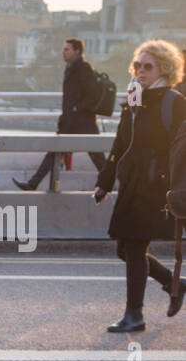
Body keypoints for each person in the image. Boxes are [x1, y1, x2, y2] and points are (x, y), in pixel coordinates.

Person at [94, 39, 186, 331]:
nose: (140, 71)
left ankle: (134, 314)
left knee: (133, 247)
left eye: (148, 66)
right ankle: (175, 284)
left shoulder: (173, 101)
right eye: (137, 65)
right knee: (124, 248)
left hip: (155, 187)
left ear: (165, 69)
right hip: (132, 184)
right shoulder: (134, 98)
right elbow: (120, 144)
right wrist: (105, 182)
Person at [14, 38, 107, 191]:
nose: (63, 52)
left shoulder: (83, 69)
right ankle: (33, 183)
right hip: (72, 122)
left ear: (77, 51)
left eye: (67, 49)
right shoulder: (71, 68)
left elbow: (92, 95)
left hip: (83, 122)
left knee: (98, 158)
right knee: (54, 152)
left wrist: (77, 109)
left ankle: (116, 184)